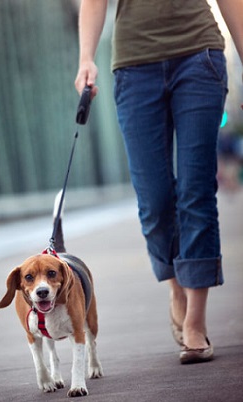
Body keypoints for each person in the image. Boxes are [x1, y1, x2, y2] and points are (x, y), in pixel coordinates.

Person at [75, 0, 243, 364]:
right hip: (135, 68)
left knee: (196, 191)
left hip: (200, 56)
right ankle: (176, 287)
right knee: (154, 199)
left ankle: (195, 322)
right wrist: (85, 58)